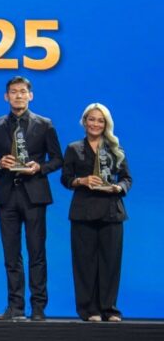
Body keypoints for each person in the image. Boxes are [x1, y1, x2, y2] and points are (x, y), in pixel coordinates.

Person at [0, 76, 63, 321]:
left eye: (22, 91)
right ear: (6, 96)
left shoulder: (45, 124)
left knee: (36, 253)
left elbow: (58, 159)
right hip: (7, 195)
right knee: (11, 254)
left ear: (31, 95)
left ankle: (38, 308)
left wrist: (39, 168)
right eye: (13, 92)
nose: (18, 95)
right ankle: (15, 307)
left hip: (34, 195)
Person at [61, 103, 132, 322]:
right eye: (91, 119)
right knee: (84, 263)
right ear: (84, 122)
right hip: (83, 212)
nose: (95, 124)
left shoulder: (115, 149)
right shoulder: (74, 148)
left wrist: (118, 188)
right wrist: (81, 181)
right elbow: (66, 178)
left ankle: (109, 309)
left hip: (111, 211)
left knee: (110, 263)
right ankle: (89, 309)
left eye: (100, 121)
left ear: (106, 124)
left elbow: (127, 179)